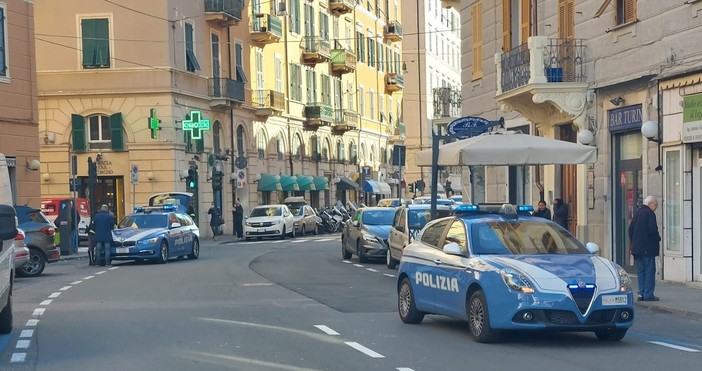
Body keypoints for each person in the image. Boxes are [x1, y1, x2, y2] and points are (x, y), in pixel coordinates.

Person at [628, 195, 661, 302]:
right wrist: (658, 238)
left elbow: (630, 230)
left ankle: (641, 293)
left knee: (641, 272)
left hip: (637, 249)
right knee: (650, 271)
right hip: (648, 248)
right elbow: (652, 230)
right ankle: (648, 294)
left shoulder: (638, 213)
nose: (656, 207)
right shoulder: (649, 214)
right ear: (651, 204)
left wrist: (634, 243)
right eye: (656, 205)